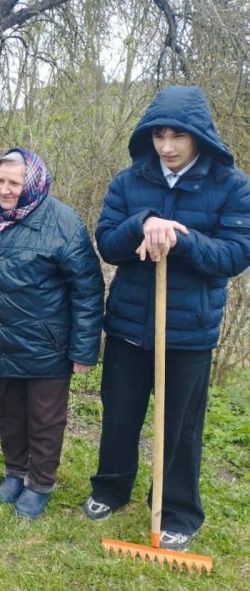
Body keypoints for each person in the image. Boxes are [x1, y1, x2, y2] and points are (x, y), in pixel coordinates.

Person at [83, 86, 250, 551]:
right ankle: (110, 489)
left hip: (189, 331)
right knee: (119, 414)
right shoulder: (128, 181)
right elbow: (108, 243)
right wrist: (144, 221)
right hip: (130, 326)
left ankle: (177, 510)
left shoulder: (232, 186)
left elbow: (236, 254)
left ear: (200, 136)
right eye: (159, 135)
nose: (168, 146)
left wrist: (180, 237)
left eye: (178, 136)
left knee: (180, 425)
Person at [0, 148, 104, 519]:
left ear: (32, 183)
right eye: (0, 181)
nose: (4, 190)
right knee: (9, 413)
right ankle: (15, 471)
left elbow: (88, 288)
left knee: (45, 418)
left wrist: (83, 349)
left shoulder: (64, 223)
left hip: (48, 343)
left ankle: (40, 482)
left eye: (14, 183)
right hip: (2, 338)